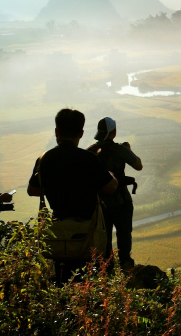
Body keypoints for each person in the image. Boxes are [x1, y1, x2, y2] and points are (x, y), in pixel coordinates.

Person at [27, 108, 118, 227]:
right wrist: (111, 175)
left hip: (58, 230)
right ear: (81, 133)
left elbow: (32, 190)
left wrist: (57, 187)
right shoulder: (89, 159)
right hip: (87, 229)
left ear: (56, 132)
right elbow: (111, 187)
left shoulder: (44, 159)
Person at [87, 117, 142, 270]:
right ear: (114, 132)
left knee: (104, 237)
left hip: (99, 203)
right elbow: (138, 165)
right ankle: (125, 264)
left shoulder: (90, 151)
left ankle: (107, 267)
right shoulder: (120, 149)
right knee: (124, 234)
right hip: (121, 200)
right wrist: (129, 150)